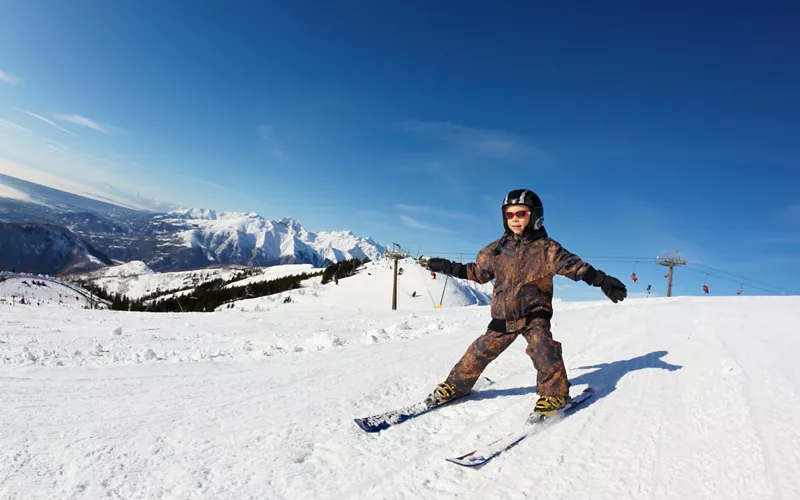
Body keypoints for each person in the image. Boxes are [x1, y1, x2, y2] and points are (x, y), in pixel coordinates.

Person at [424, 189, 627, 417]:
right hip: (504, 315)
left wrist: (602, 280)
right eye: (509, 215)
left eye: (521, 213)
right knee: (478, 351)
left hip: (534, 312)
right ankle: (455, 385)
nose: (515, 219)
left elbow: (575, 266)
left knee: (542, 348)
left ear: (535, 215)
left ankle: (555, 395)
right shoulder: (496, 250)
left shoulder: (547, 249)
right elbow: (477, 273)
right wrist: (448, 267)